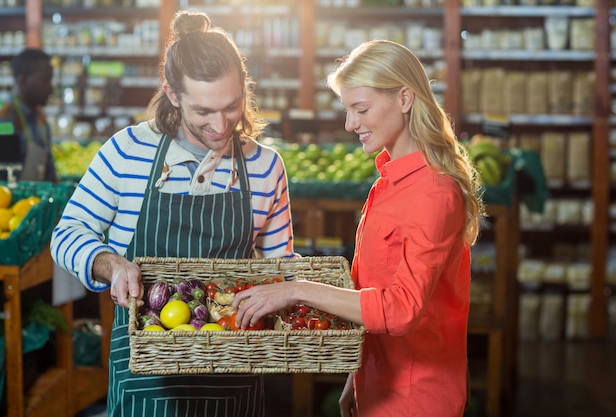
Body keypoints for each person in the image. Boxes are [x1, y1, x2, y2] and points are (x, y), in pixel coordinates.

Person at [50, 11, 295, 417]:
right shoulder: (127, 151)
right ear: (173, 93)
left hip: (232, 377)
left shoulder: (265, 166)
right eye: (203, 112)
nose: (220, 125)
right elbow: (67, 233)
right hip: (144, 383)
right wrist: (109, 264)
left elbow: (278, 266)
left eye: (232, 107)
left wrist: (298, 283)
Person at [233, 40, 484, 417]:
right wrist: (359, 370)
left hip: (417, 397)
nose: (350, 124)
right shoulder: (388, 181)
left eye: (361, 109)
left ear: (404, 98)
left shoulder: (435, 193)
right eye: (348, 110)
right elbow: (373, 291)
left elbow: (400, 310)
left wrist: (298, 290)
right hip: (378, 382)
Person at [0, 48, 57, 182]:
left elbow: (50, 174)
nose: (51, 87)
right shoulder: (2, 123)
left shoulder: (40, 119)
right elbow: (0, 183)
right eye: (46, 79)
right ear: (24, 80)